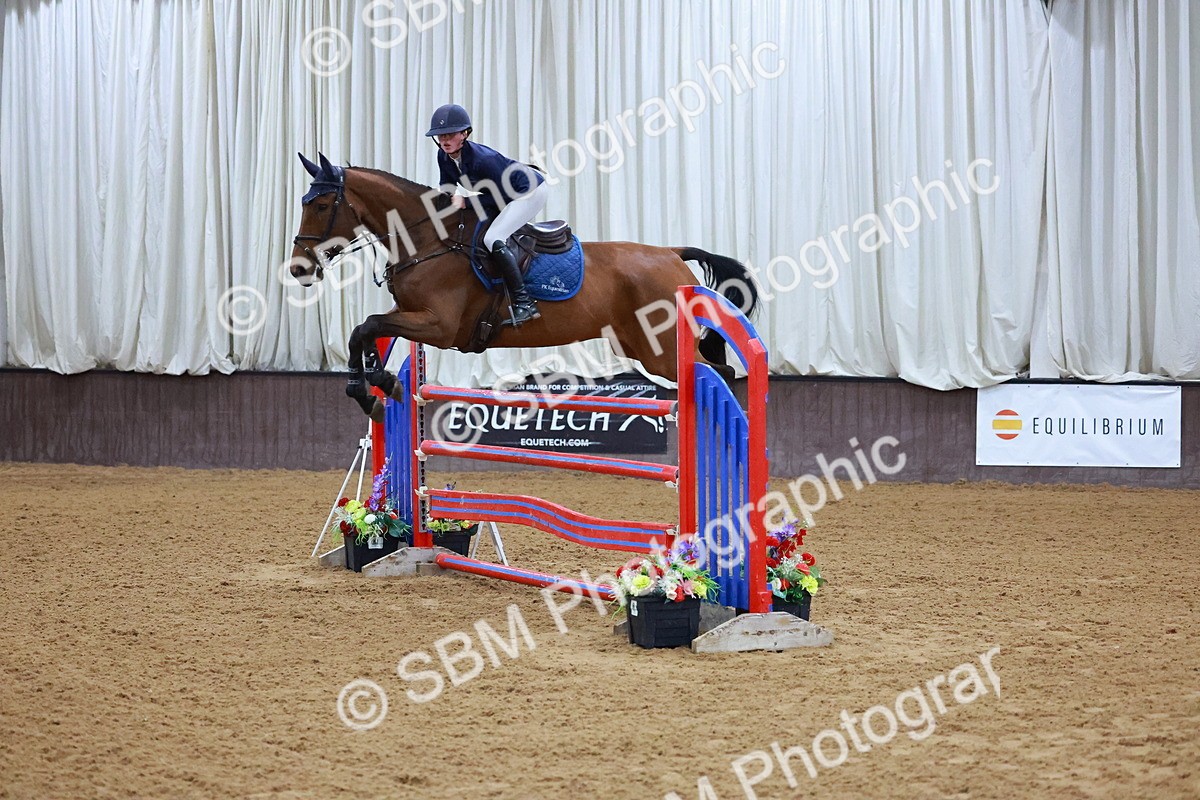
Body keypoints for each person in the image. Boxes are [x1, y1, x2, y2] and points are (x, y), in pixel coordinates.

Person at [426, 103, 548, 325]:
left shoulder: (483, 159)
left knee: (493, 238)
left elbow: (502, 197)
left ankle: (525, 303)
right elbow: (447, 186)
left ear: (464, 134)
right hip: (502, 193)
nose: (444, 140)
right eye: (440, 135)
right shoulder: (443, 156)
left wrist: (467, 201)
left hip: (528, 191)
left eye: (450, 134)